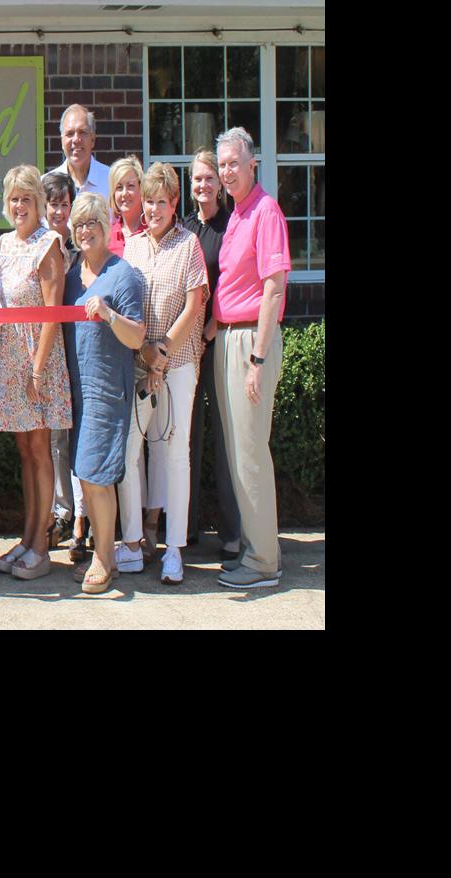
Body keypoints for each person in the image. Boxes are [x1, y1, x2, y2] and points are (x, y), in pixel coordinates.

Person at [118, 162, 209, 585]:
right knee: (129, 451)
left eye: (161, 201)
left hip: (178, 363)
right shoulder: (133, 247)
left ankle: (174, 549)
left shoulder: (188, 244)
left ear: (175, 204)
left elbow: (194, 305)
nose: (153, 209)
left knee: (175, 453)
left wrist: (163, 351)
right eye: (149, 201)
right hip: (139, 362)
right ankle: (131, 542)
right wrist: (146, 352)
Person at [212, 128, 291, 590]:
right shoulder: (238, 214)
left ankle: (263, 561)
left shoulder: (265, 211)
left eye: (233, 164)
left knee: (250, 454)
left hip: (250, 343)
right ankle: (254, 548)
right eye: (222, 164)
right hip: (229, 338)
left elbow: (273, 289)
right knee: (238, 452)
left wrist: (258, 360)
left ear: (252, 164)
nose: (227, 172)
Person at [0, 165, 72, 581]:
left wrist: (37, 371)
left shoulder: (49, 243)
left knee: (40, 449)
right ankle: (27, 536)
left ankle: (42, 546)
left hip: (39, 361)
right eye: (14, 198)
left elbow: (53, 312)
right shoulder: (1, 245)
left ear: (39, 203)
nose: (20, 205)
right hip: (10, 359)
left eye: (27, 198)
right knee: (24, 449)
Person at [62, 192, 146, 593]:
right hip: (77, 390)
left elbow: (137, 336)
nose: (85, 231)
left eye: (92, 223)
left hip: (106, 388)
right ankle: (104, 554)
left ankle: (104, 557)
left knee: (97, 476)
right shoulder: (71, 277)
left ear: (105, 227)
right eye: (78, 225)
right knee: (85, 473)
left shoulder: (122, 274)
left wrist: (109, 314)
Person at [182, 148, 241, 555]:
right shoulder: (186, 228)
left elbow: (234, 282)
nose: (203, 184)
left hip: (218, 343)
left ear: (220, 184)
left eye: (209, 178)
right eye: (197, 178)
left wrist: (210, 328)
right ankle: (183, 529)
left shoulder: (231, 226)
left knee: (224, 439)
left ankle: (232, 534)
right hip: (187, 348)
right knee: (185, 439)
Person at [40, 169, 81, 557]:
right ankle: (59, 511)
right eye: (51, 204)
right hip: (48, 355)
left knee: (75, 435)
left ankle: (79, 514)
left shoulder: (82, 249)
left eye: (63, 204)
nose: (57, 212)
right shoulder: (39, 249)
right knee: (53, 438)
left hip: (78, 353)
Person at [48, 104, 111, 207]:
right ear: (62, 140)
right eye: (69, 133)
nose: (76, 139)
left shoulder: (111, 182)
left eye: (82, 132)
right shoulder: (45, 185)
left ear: (93, 139)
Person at [107, 156, 145, 257]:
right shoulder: (107, 237)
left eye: (130, 186)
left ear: (141, 188)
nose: (124, 193)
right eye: (119, 187)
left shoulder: (153, 232)